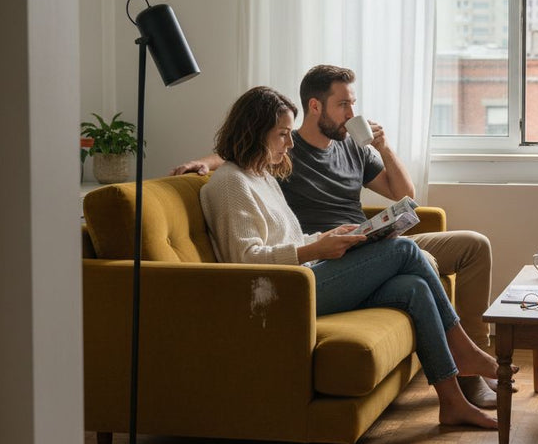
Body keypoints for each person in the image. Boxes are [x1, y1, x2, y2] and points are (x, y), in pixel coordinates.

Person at [172, 65, 501, 408]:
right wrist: (204, 163)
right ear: (315, 107)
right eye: (283, 134)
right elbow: (246, 258)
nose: (289, 143)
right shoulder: (236, 181)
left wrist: (328, 236)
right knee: (404, 251)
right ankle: (465, 354)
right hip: (291, 288)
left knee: (416, 286)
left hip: (328, 258)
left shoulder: (268, 173)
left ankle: (452, 403)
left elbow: (401, 195)